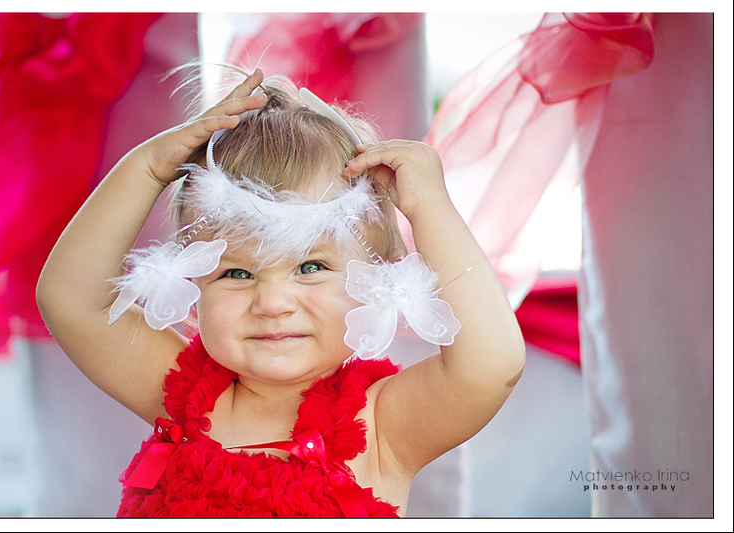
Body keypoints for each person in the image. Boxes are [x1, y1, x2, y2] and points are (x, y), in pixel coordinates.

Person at [36, 68, 526, 517]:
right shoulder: (183, 395)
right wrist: (146, 169)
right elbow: (71, 300)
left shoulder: (381, 426)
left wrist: (429, 205)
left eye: (310, 267)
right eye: (236, 274)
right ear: (193, 282)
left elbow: (491, 365)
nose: (271, 304)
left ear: (374, 283)